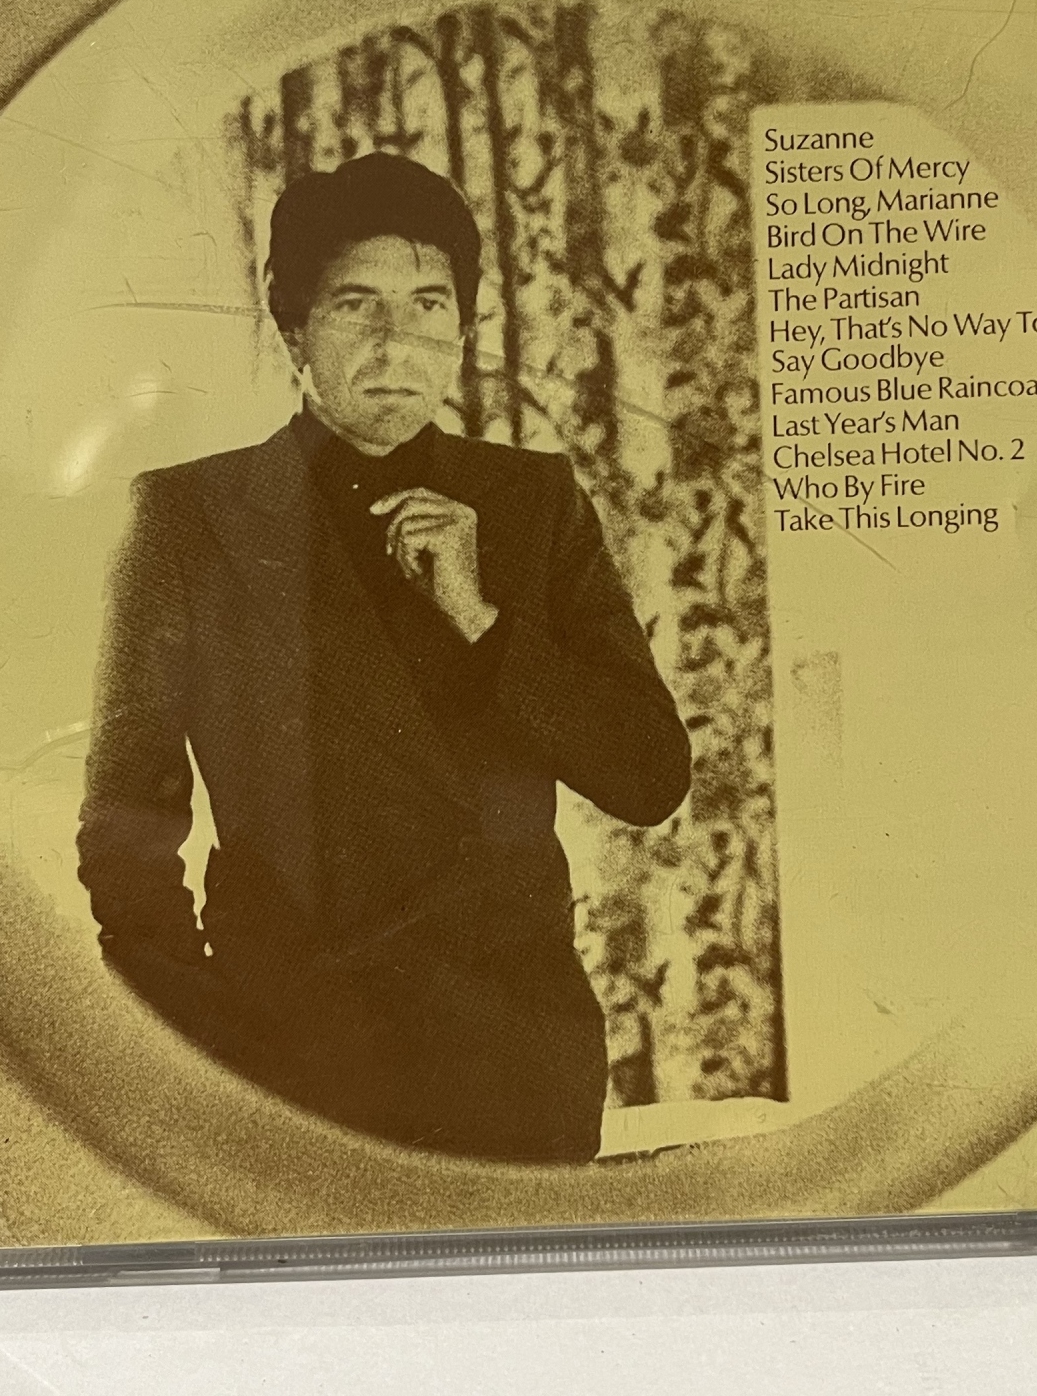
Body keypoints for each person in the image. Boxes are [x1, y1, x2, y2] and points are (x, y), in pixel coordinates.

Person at [77, 152, 692, 1163]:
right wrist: (203, 1042)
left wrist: (482, 619)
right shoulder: (190, 516)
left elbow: (649, 775)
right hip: (292, 1049)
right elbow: (125, 826)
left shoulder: (533, 502)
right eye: (355, 304)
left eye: (428, 305)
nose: (395, 342)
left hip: (511, 1056)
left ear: (463, 330)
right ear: (292, 329)